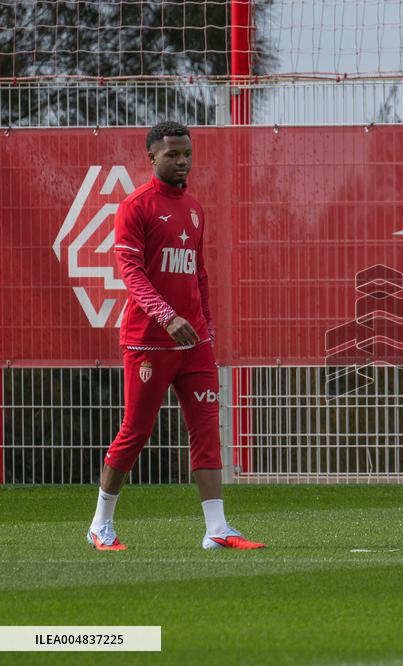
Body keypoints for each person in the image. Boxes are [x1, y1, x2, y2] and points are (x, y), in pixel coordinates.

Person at [86, 121, 265, 550]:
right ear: (152, 157)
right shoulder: (135, 206)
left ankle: (217, 530)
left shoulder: (196, 208)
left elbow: (199, 274)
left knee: (206, 429)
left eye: (186, 153)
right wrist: (167, 316)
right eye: (172, 154)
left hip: (194, 343)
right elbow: (131, 272)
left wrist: (207, 329)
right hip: (149, 340)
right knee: (136, 430)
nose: (182, 161)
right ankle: (100, 525)